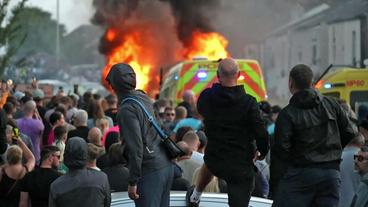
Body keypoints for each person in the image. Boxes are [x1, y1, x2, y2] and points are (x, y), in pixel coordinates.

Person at [186, 58, 269, 207]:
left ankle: (195, 195)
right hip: (241, 163)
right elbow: (260, 130)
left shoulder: (208, 96)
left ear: (218, 76)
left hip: (215, 157)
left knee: (208, 163)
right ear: (238, 75)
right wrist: (262, 151)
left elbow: (200, 109)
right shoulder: (249, 102)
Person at [272, 64, 357, 207]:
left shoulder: (287, 114)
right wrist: (333, 151)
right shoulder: (332, 105)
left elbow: (281, 150)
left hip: (299, 175)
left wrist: (277, 183)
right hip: (330, 175)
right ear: (312, 82)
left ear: (290, 83)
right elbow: (350, 132)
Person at [106, 63, 173, 207]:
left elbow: (135, 148)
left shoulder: (126, 110)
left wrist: (133, 181)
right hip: (165, 165)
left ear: (115, 85)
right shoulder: (143, 97)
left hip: (150, 171)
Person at [48, 137, 111, 207]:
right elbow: (107, 203)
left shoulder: (56, 186)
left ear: (66, 156)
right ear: (86, 155)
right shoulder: (101, 179)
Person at [0, 137, 35, 206]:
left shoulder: (2, 170)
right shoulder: (26, 170)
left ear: (7, 157)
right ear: (21, 157)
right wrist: (20, 142)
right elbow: (31, 158)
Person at [16, 100, 44, 164]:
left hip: (19, 154)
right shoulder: (39, 124)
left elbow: (14, 139)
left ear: (24, 109)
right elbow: (41, 136)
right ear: (34, 111)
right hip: (35, 154)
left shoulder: (16, 122)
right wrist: (37, 117)